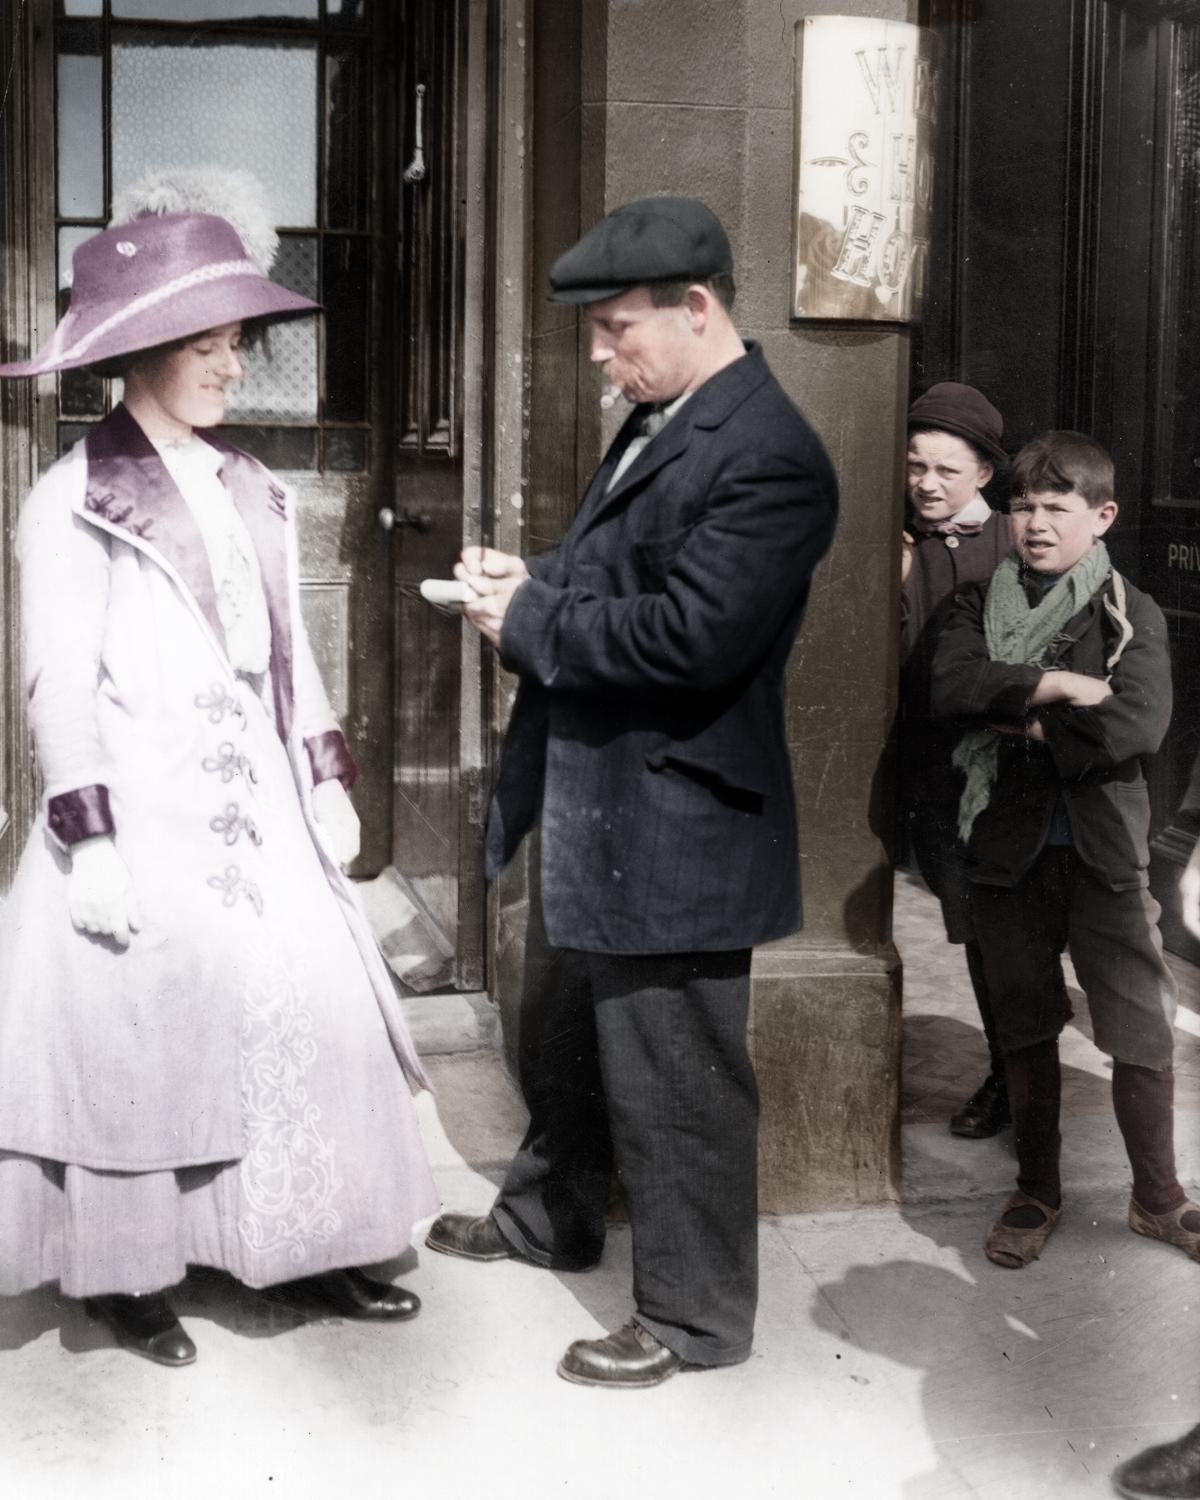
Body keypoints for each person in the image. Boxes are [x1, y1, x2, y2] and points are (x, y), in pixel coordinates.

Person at [0, 175, 438, 1366]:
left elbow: (294, 652)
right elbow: (58, 679)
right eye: (208, 345)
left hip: (261, 804)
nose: (234, 366)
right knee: (141, 1036)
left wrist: (327, 770)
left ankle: (317, 1244)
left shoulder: (255, 485)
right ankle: (125, 1279)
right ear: (139, 351)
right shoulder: (70, 500)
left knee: (311, 1009)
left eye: (237, 343)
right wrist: (87, 834)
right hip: (140, 807)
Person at [423, 195, 838, 1387]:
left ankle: (698, 1319)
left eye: (615, 330)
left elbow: (697, 636)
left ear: (696, 308)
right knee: (563, 1035)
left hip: (681, 820)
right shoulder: (673, 416)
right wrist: (534, 575)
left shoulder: (773, 454)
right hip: (606, 798)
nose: (600, 356)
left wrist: (535, 617)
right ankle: (547, 1216)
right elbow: (626, 571)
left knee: (678, 1076)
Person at [931, 430, 1199, 1269]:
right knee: (1023, 1019)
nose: (1036, 524)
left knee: (1139, 1024)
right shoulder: (976, 604)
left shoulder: (1130, 612)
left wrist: (1016, 719)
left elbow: (1137, 724)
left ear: (1103, 516)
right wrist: (1053, 686)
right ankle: (1037, 1190)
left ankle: (1158, 1197)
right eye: (1022, 507)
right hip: (1006, 847)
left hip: (1102, 853)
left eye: (1056, 508)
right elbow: (948, 686)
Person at [900, 382, 1012, 1138]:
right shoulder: (893, 542)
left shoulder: (1011, 542)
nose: (927, 485)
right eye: (916, 466)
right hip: (924, 770)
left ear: (983, 475)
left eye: (946, 470)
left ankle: (1012, 1078)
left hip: (994, 777)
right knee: (970, 925)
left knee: (1004, 936)